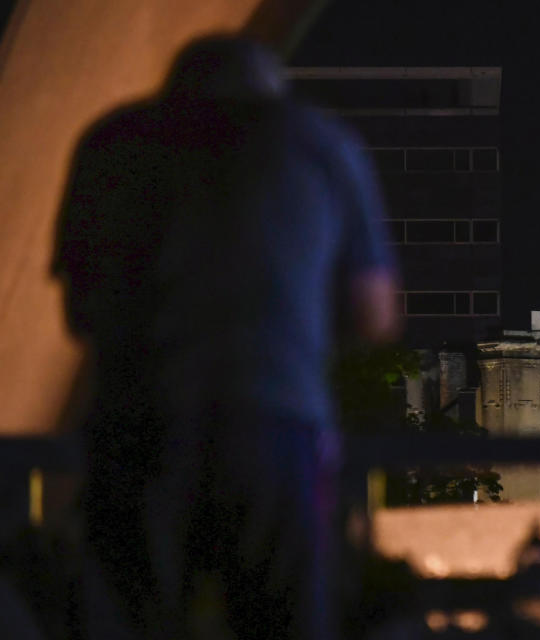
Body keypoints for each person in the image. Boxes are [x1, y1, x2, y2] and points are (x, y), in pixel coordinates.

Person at [53, 35, 398, 638]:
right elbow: (375, 316)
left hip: (137, 428)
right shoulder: (320, 146)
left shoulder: (111, 142)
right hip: (275, 428)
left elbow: (80, 312)